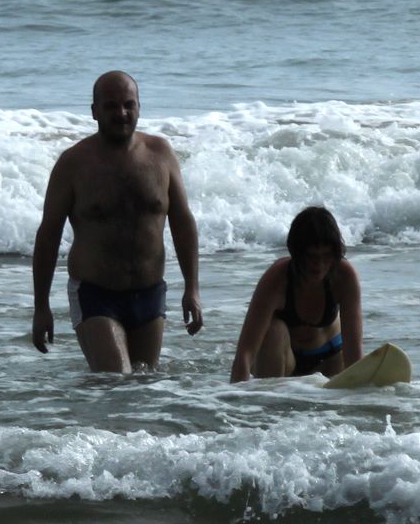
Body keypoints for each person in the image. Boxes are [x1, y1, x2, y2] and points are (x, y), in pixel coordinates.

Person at [32, 70, 203, 372]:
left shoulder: (161, 154)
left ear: (139, 107)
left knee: (141, 387)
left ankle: (82, 414)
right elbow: (48, 236)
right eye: (110, 106)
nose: (121, 113)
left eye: (128, 104)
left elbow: (182, 223)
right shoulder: (73, 164)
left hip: (150, 293)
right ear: (94, 111)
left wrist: (192, 288)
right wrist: (41, 307)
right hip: (96, 294)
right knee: (115, 379)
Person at [230, 206, 363, 383]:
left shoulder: (344, 276)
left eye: (327, 256)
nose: (320, 265)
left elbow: (354, 353)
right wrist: (234, 403)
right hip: (283, 358)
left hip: (330, 357)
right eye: (312, 257)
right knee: (273, 330)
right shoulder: (276, 279)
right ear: (296, 252)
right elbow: (245, 354)